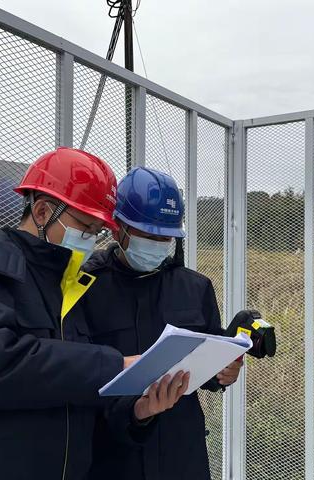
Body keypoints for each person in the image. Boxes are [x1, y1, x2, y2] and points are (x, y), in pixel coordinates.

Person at [0, 148, 188, 480]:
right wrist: (117, 365)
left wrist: (138, 412)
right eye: (85, 227)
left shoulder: (71, 282)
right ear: (43, 210)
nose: (91, 240)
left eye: (97, 231)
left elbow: (80, 391)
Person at [83, 166, 243, 480]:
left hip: (181, 452)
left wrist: (223, 373)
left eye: (166, 236)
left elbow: (207, 365)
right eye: (148, 234)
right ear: (119, 229)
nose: (158, 243)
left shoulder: (195, 287)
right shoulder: (87, 286)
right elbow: (80, 373)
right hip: (112, 455)